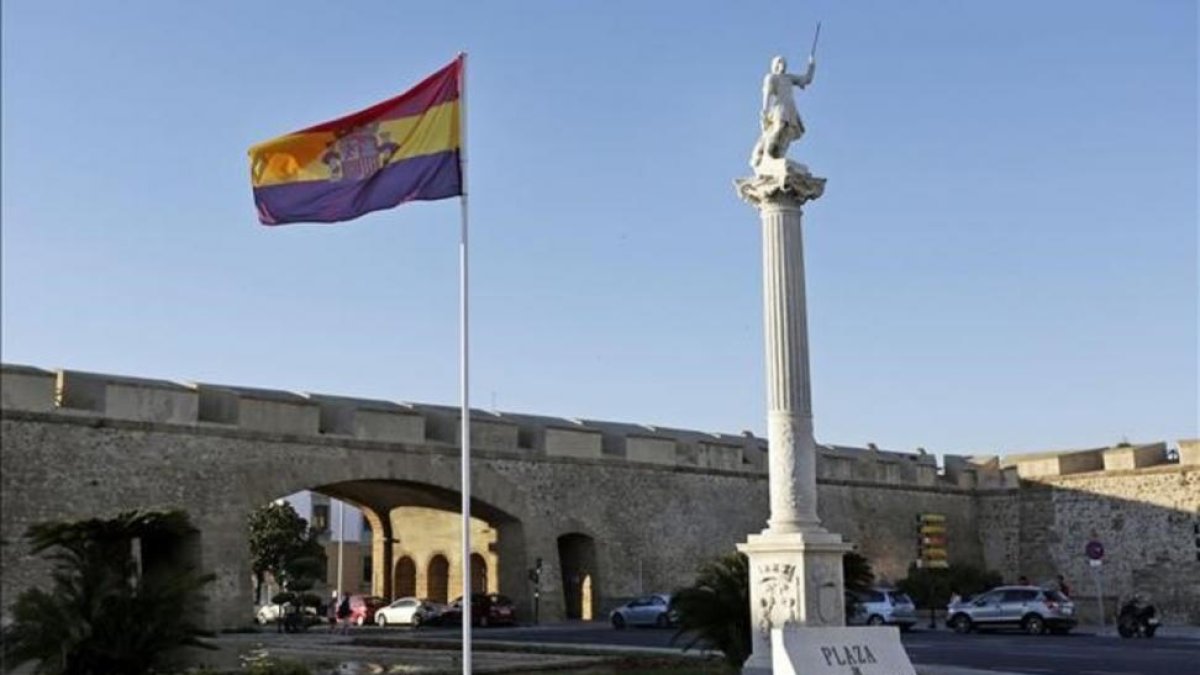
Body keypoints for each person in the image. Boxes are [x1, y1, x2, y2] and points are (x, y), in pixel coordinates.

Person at [751, 54, 817, 170]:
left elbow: (806, 79)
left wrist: (811, 65)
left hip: (790, 107)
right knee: (778, 127)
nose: (782, 65)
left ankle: (780, 154)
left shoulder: (789, 78)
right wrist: (765, 110)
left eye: (784, 63)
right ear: (774, 65)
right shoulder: (771, 77)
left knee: (788, 131)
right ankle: (767, 154)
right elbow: (767, 94)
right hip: (779, 107)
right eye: (779, 62)